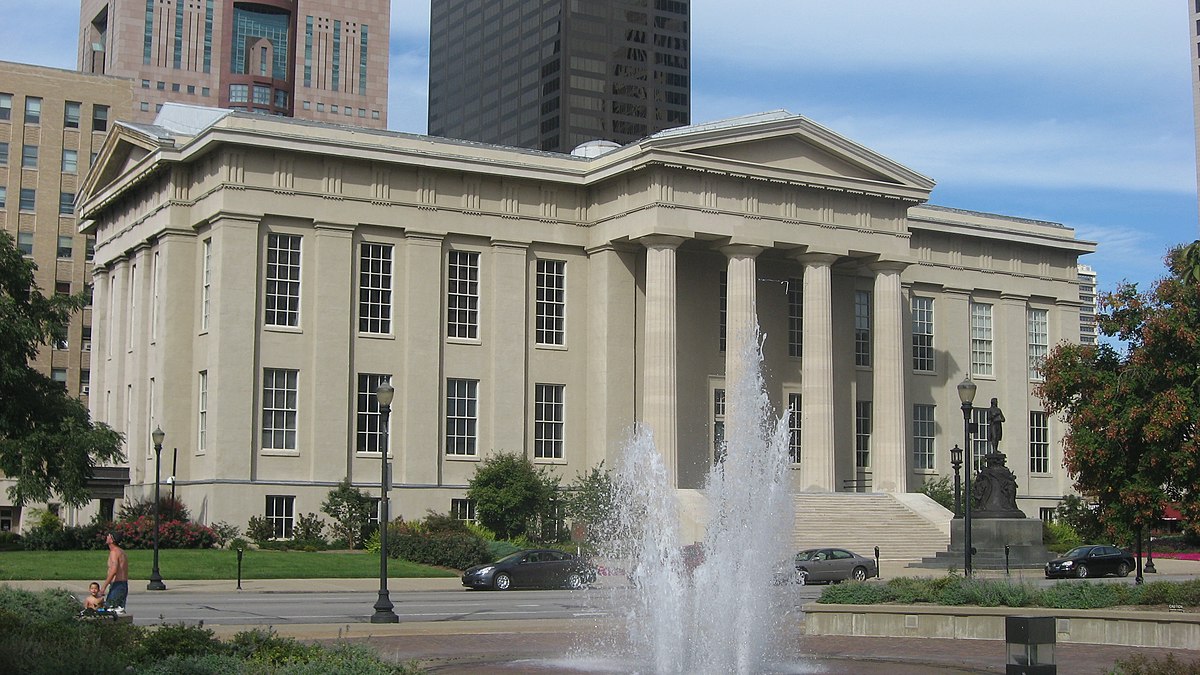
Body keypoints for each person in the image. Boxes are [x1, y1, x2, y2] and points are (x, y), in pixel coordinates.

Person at [100, 531, 129, 613]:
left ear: (112, 540)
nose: (106, 537)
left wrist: (103, 587)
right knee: (119, 611)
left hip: (117, 585)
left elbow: (114, 570)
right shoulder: (122, 552)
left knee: (110, 611)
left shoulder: (114, 552)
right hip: (123, 585)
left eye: (108, 536)